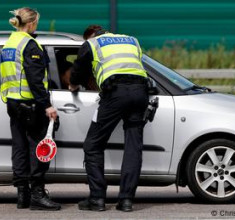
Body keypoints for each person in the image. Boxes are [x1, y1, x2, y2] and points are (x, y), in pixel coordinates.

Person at [69, 25, 149, 212]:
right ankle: (126, 201)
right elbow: (135, 66)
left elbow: (79, 68)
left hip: (115, 94)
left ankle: (97, 199)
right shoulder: (132, 40)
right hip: (140, 93)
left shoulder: (92, 43)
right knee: (133, 147)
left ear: (90, 36)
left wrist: (73, 84)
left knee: (93, 144)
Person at [0, 7, 61, 210]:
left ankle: (22, 195)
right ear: (32, 23)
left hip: (13, 103)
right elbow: (35, 80)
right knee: (39, 148)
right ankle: (37, 194)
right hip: (31, 104)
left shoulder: (9, 43)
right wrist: (48, 106)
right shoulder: (30, 44)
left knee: (19, 148)